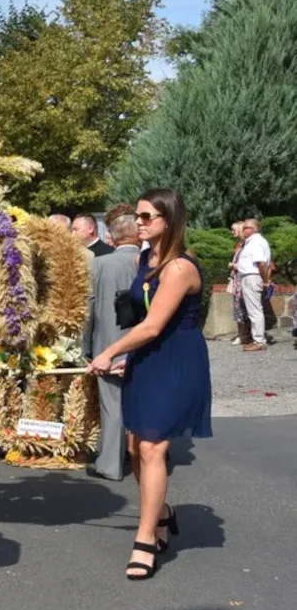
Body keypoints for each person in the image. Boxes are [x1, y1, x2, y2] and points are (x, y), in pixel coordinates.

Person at [88, 188, 211, 581]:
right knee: (133, 446)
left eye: (145, 217)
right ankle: (162, 513)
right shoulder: (146, 257)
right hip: (147, 357)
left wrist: (110, 352)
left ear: (168, 220)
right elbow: (143, 319)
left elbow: (156, 324)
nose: (137, 223)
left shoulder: (179, 267)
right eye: (138, 217)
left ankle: (146, 540)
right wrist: (128, 356)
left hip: (176, 362)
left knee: (152, 445)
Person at [83, 205, 140, 482]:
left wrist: (85, 347)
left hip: (109, 342)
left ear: (113, 237)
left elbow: (89, 310)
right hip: (145, 342)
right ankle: (146, 454)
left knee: (112, 404)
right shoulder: (151, 262)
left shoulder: (100, 264)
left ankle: (110, 464)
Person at [235, 218, 271, 352]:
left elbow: (261, 263)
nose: (243, 230)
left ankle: (259, 341)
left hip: (252, 277)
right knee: (253, 309)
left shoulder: (256, 242)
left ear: (253, 229)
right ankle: (257, 339)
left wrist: (265, 280)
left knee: (254, 310)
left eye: (245, 227)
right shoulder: (251, 242)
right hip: (249, 277)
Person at [228, 222, 248, 345]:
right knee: (239, 308)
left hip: (243, 280)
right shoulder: (240, 245)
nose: (232, 232)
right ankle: (242, 334)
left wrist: (234, 265)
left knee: (244, 308)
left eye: (234, 229)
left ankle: (245, 336)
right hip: (238, 280)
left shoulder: (247, 245)